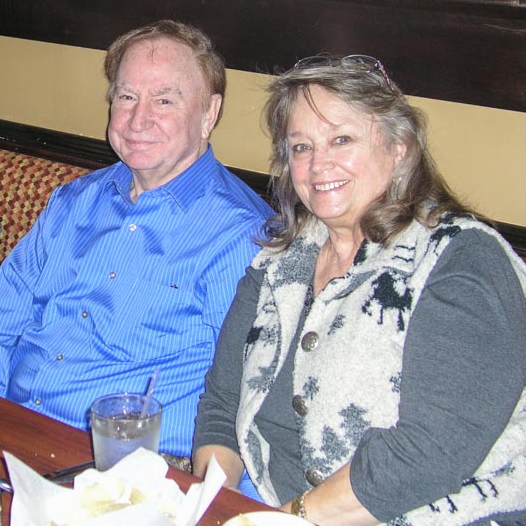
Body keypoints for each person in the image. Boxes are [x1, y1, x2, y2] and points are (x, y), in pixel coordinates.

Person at [192, 54, 526, 525]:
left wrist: (284, 519)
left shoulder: (460, 259)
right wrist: (209, 506)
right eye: (301, 147)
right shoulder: (277, 265)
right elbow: (222, 408)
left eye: (341, 139)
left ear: (400, 147)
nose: (317, 164)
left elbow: (430, 450)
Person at [0, 20, 274, 471]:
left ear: (209, 113)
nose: (138, 120)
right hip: (8, 432)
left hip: (132, 468)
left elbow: (248, 399)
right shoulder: (72, 201)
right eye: (126, 97)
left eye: (164, 100)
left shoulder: (242, 237)